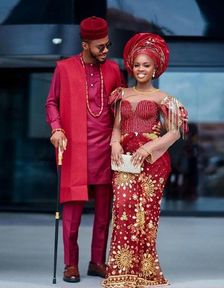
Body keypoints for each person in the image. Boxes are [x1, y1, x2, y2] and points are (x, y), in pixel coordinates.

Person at [102, 33, 188, 288]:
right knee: (123, 212)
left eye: (146, 65)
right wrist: (115, 142)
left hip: (154, 164)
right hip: (125, 162)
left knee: (145, 217)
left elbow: (175, 132)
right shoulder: (120, 95)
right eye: (137, 64)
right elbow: (116, 127)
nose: (141, 69)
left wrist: (149, 147)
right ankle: (120, 273)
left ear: (155, 69)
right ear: (132, 66)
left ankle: (145, 274)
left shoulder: (165, 99)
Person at [46, 16, 125, 283]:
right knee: (72, 216)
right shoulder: (64, 68)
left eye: (107, 45)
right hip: (75, 152)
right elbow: (51, 103)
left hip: (105, 152)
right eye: (100, 46)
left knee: (104, 215)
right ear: (85, 44)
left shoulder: (114, 70)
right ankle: (70, 265)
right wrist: (56, 128)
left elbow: (122, 110)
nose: (106, 50)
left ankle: (97, 262)